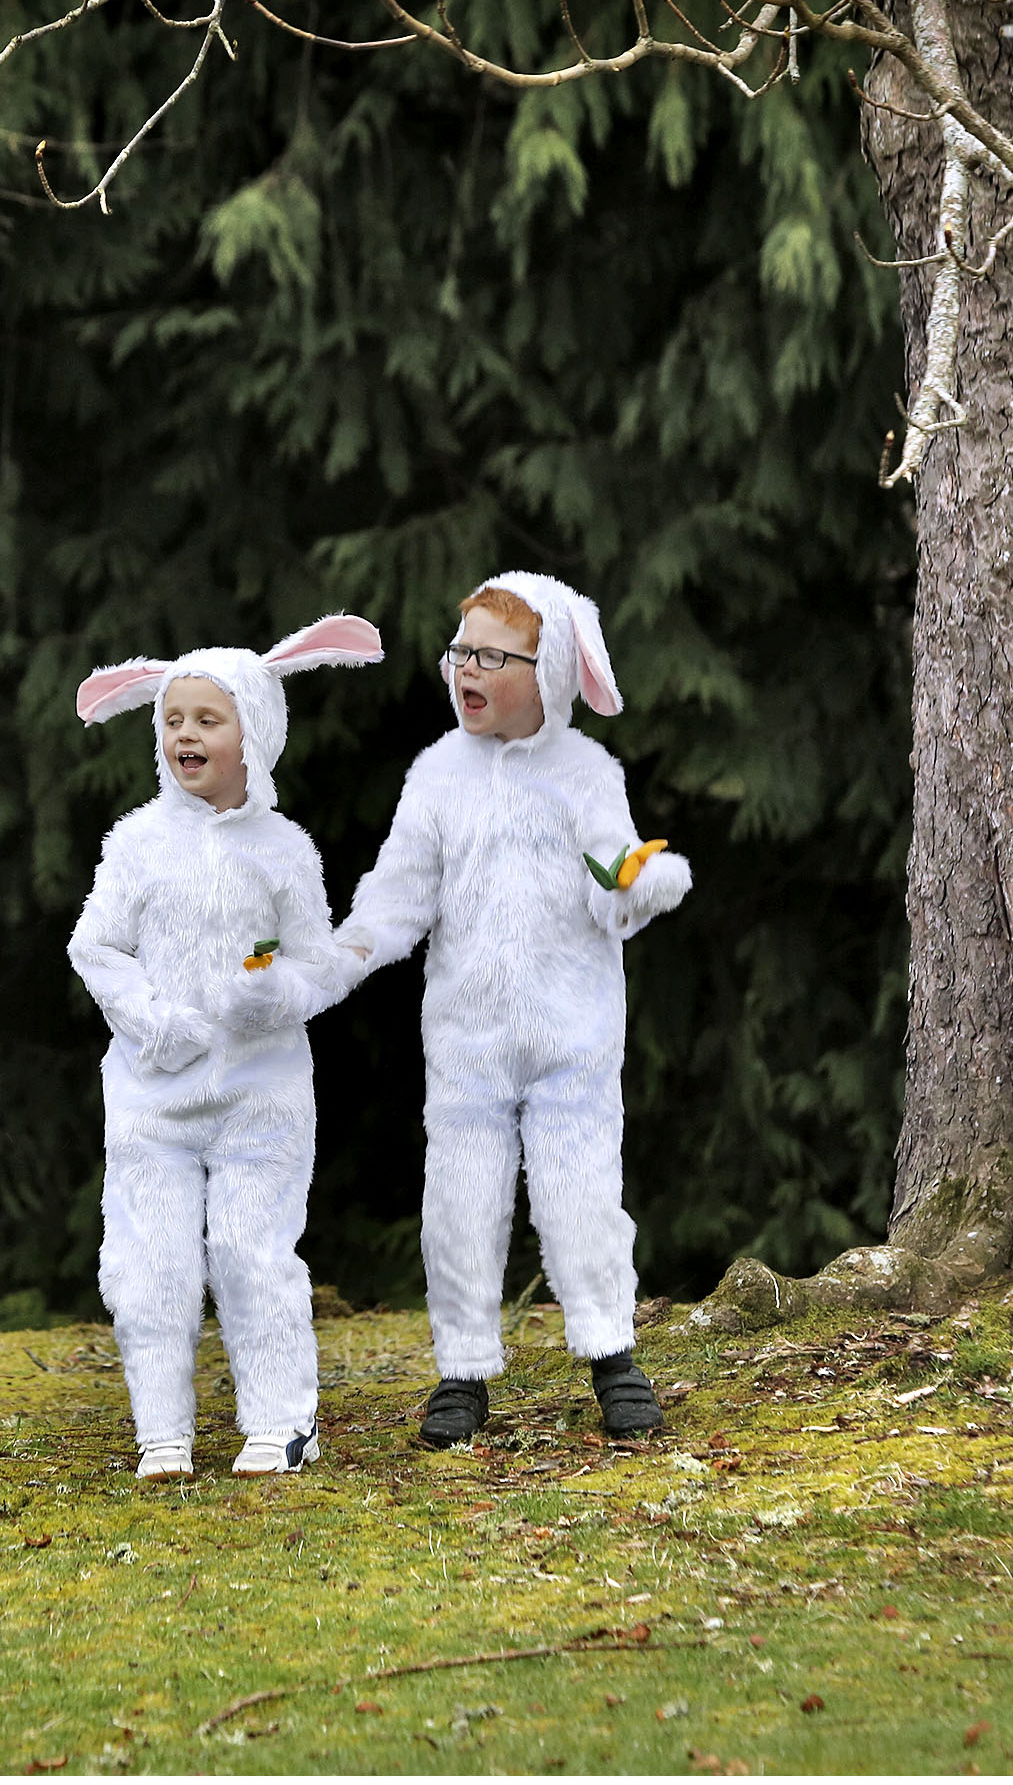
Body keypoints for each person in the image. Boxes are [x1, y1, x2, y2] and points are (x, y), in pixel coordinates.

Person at [331, 574, 692, 1445]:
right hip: (466, 1040)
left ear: (551, 671)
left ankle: (612, 1356)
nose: (468, 669)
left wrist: (640, 883)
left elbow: (614, 872)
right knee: (458, 1201)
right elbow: (398, 892)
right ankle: (461, 1372)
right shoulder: (436, 776)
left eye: (493, 655)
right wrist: (344, 950)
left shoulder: (584, 772)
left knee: (582, 1196)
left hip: (573, 1035)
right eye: (460, 651)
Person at [69, 616, 384, 1478]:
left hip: (261, 1091)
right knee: (150, 1261)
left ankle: (283, 1421)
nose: (184, 737)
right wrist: (155, 1024)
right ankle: (161, 1428)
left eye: (207, 720)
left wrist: (271, 993)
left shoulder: (285, 851)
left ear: (256, 732)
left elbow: (319, 963)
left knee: (251, 1250)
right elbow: (93, 948)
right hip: (150, 1094)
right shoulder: (135, 844)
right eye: (172, 721)